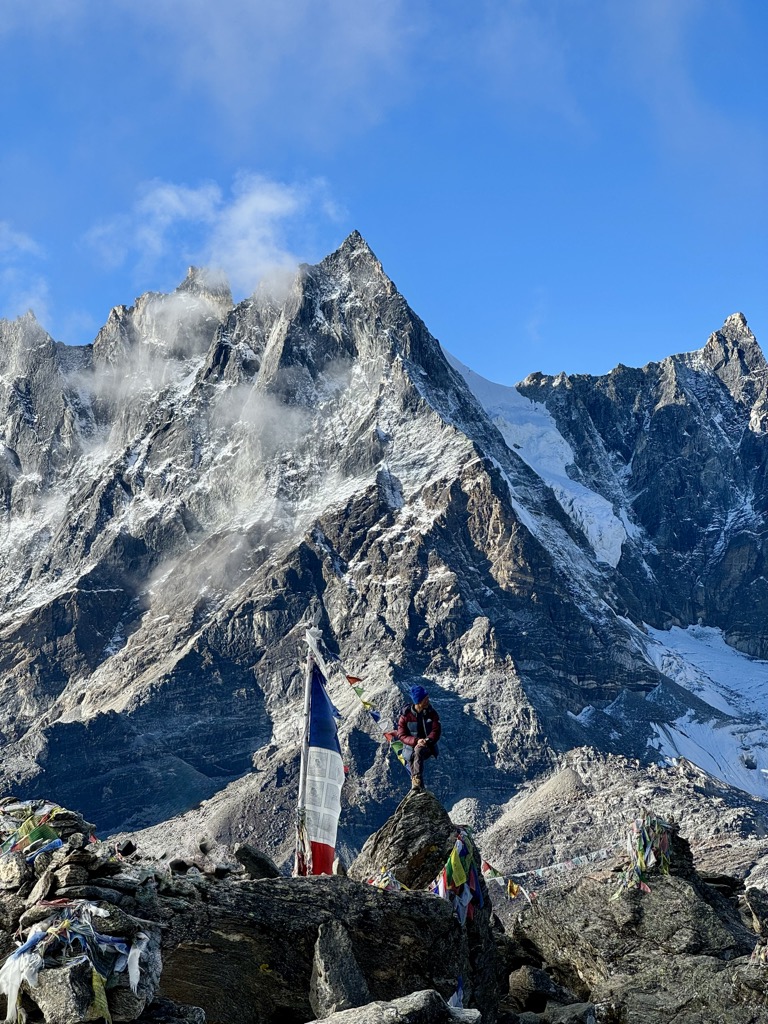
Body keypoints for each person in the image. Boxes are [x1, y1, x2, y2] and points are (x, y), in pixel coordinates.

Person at [397, 685, 441, 790]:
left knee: (418, 750)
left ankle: (416, 781)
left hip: (427, 746)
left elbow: (436, 730)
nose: (428, 701)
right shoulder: (406, 716)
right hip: (409, 748)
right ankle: (419, 788)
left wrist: (427, 740)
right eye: (425, 699)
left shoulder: (432, 713)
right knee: (412, 759)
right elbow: (401, 735)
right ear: (418, 701)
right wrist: (416, 740)